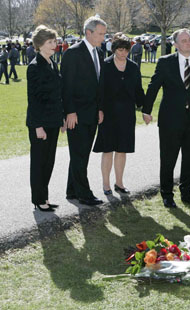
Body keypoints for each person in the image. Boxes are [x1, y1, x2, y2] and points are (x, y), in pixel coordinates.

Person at [142, 28, 190, 209]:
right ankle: (167, 194)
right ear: (176, 44)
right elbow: (154, 85)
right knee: (168, 158)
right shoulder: (165, 62)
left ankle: (186, 192)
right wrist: (146, 110)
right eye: (185, 40)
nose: (189, 43)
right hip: (170, 120)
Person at [61, 16, 107, 206]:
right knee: (79, 154)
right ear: (88, 32)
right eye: (100, 34)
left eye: (104, 34)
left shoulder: (99, 53)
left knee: (81, 154)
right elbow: (66, 86)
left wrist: (100, 109)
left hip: (92, 113)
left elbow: (99, 85)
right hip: (76, 114)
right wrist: (70, 112)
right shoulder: (73, 53)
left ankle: (72, 190)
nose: (104, 38)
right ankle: (84, 194)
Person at [93, 33, 145, 195]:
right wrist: (99, 110)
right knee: (107, 149)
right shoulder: (105, 65)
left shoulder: (133, 67)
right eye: (120, 50)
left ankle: (120, 183)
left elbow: (138, 90)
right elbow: (99, 91)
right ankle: (106, 184)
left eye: (126, 50)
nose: (123, 53)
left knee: (122, 150)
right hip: (108, 114)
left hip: (127, 114)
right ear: (114, 49)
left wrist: (145, 109)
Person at [26, 25, 64, 212]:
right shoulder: (34, 67)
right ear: (39, 45)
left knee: (49, 162)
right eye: (50, 42)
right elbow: (33, 100)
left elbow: (57, 95)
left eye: (55, 42)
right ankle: (38, 199)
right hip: (40, 124)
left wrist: (61, 118)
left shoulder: (52, 63)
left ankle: (44, 198)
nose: (54, 45)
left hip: (53, 122)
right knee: (39, 162)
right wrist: (37, 126)